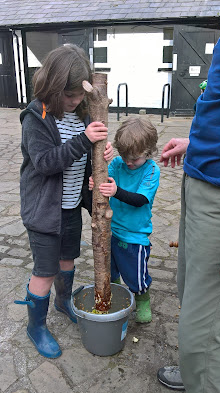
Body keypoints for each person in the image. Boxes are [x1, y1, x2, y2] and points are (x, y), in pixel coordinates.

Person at [14, 44, 113, 359]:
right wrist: (85, 141)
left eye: (80, 96)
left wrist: (100, 154)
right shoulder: (37, 117)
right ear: (51, 87)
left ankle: (63, 300)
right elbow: (45, 162)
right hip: (43, 212)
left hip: (70, 207)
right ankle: (36, 326)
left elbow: (85, 156)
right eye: (69, 96)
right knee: (44, 270)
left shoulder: (80, 115)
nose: (75, 102)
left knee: (68, 259)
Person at [157, 30, 220, 393]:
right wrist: (198, 143)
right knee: (192, 291)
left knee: (207, 329)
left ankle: (208, 382)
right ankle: (197, 372)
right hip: (204, 175)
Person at [89, 116, 160, 323]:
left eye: (135, 158)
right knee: (110, 268)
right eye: (125, 156)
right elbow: (105, 179)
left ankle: (143, 299)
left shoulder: (151, 170)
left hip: (135, 236)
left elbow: (140, 200)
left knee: (136, 275)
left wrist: (116, 191)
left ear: (149, 152)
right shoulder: (119, 163)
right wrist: (96, 181)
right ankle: (116, 289)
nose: (129, 162)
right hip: (111, 229)